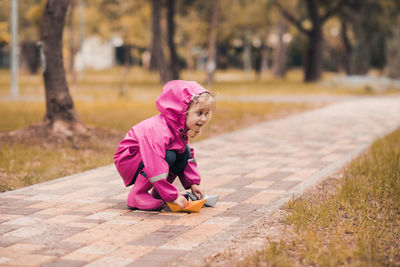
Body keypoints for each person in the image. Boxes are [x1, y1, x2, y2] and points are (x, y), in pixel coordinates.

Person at [114, 80, 214, 211]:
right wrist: (172, 196)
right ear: (182, 111)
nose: (204, 119)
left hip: (148, 158)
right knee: (169, 155)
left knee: (184, 153)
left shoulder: (179, 129)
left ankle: (160, 193)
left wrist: (193, 184)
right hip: (129, 158)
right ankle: (137, 194)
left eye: (206, 113)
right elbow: (155, 164)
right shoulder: (159, 130)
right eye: (199, 113)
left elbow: (187, 158)